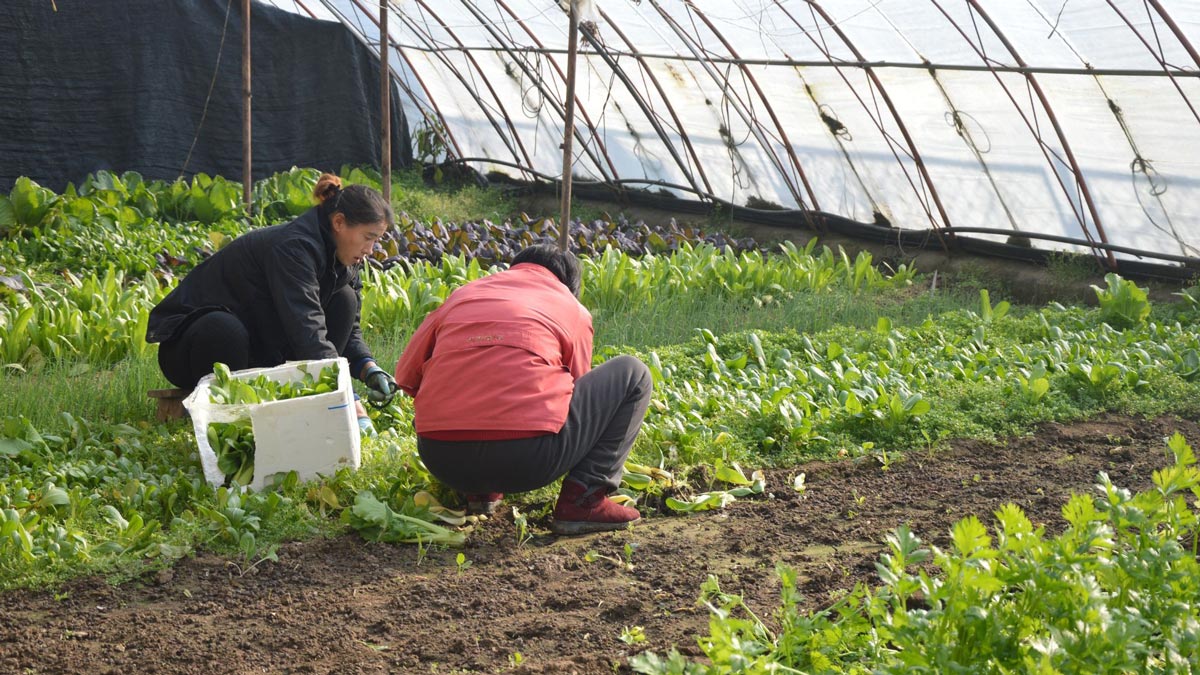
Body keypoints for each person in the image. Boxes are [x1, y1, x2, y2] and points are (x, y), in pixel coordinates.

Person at [393, 244, 653, 535]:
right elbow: (576, 389)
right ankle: (583, 500)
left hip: (442, 458)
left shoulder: (461, 296)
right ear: (569, 286)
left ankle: (479, 493)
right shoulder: (569, 307)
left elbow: (405, 376)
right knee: (634, 373)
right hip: (530, 461)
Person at [146, 174, 397, 429]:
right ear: (339, 222)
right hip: (191, 348)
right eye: (368, 237)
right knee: (224, 330)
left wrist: (369, 369)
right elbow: (307, 330)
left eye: (377, 239)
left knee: (344, 299)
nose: (371, 248)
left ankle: (311, 398)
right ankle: (227, 416)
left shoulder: (345, 259)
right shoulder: (294, 248)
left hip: (258, 344)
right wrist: (350, 400)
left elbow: (350, 330)